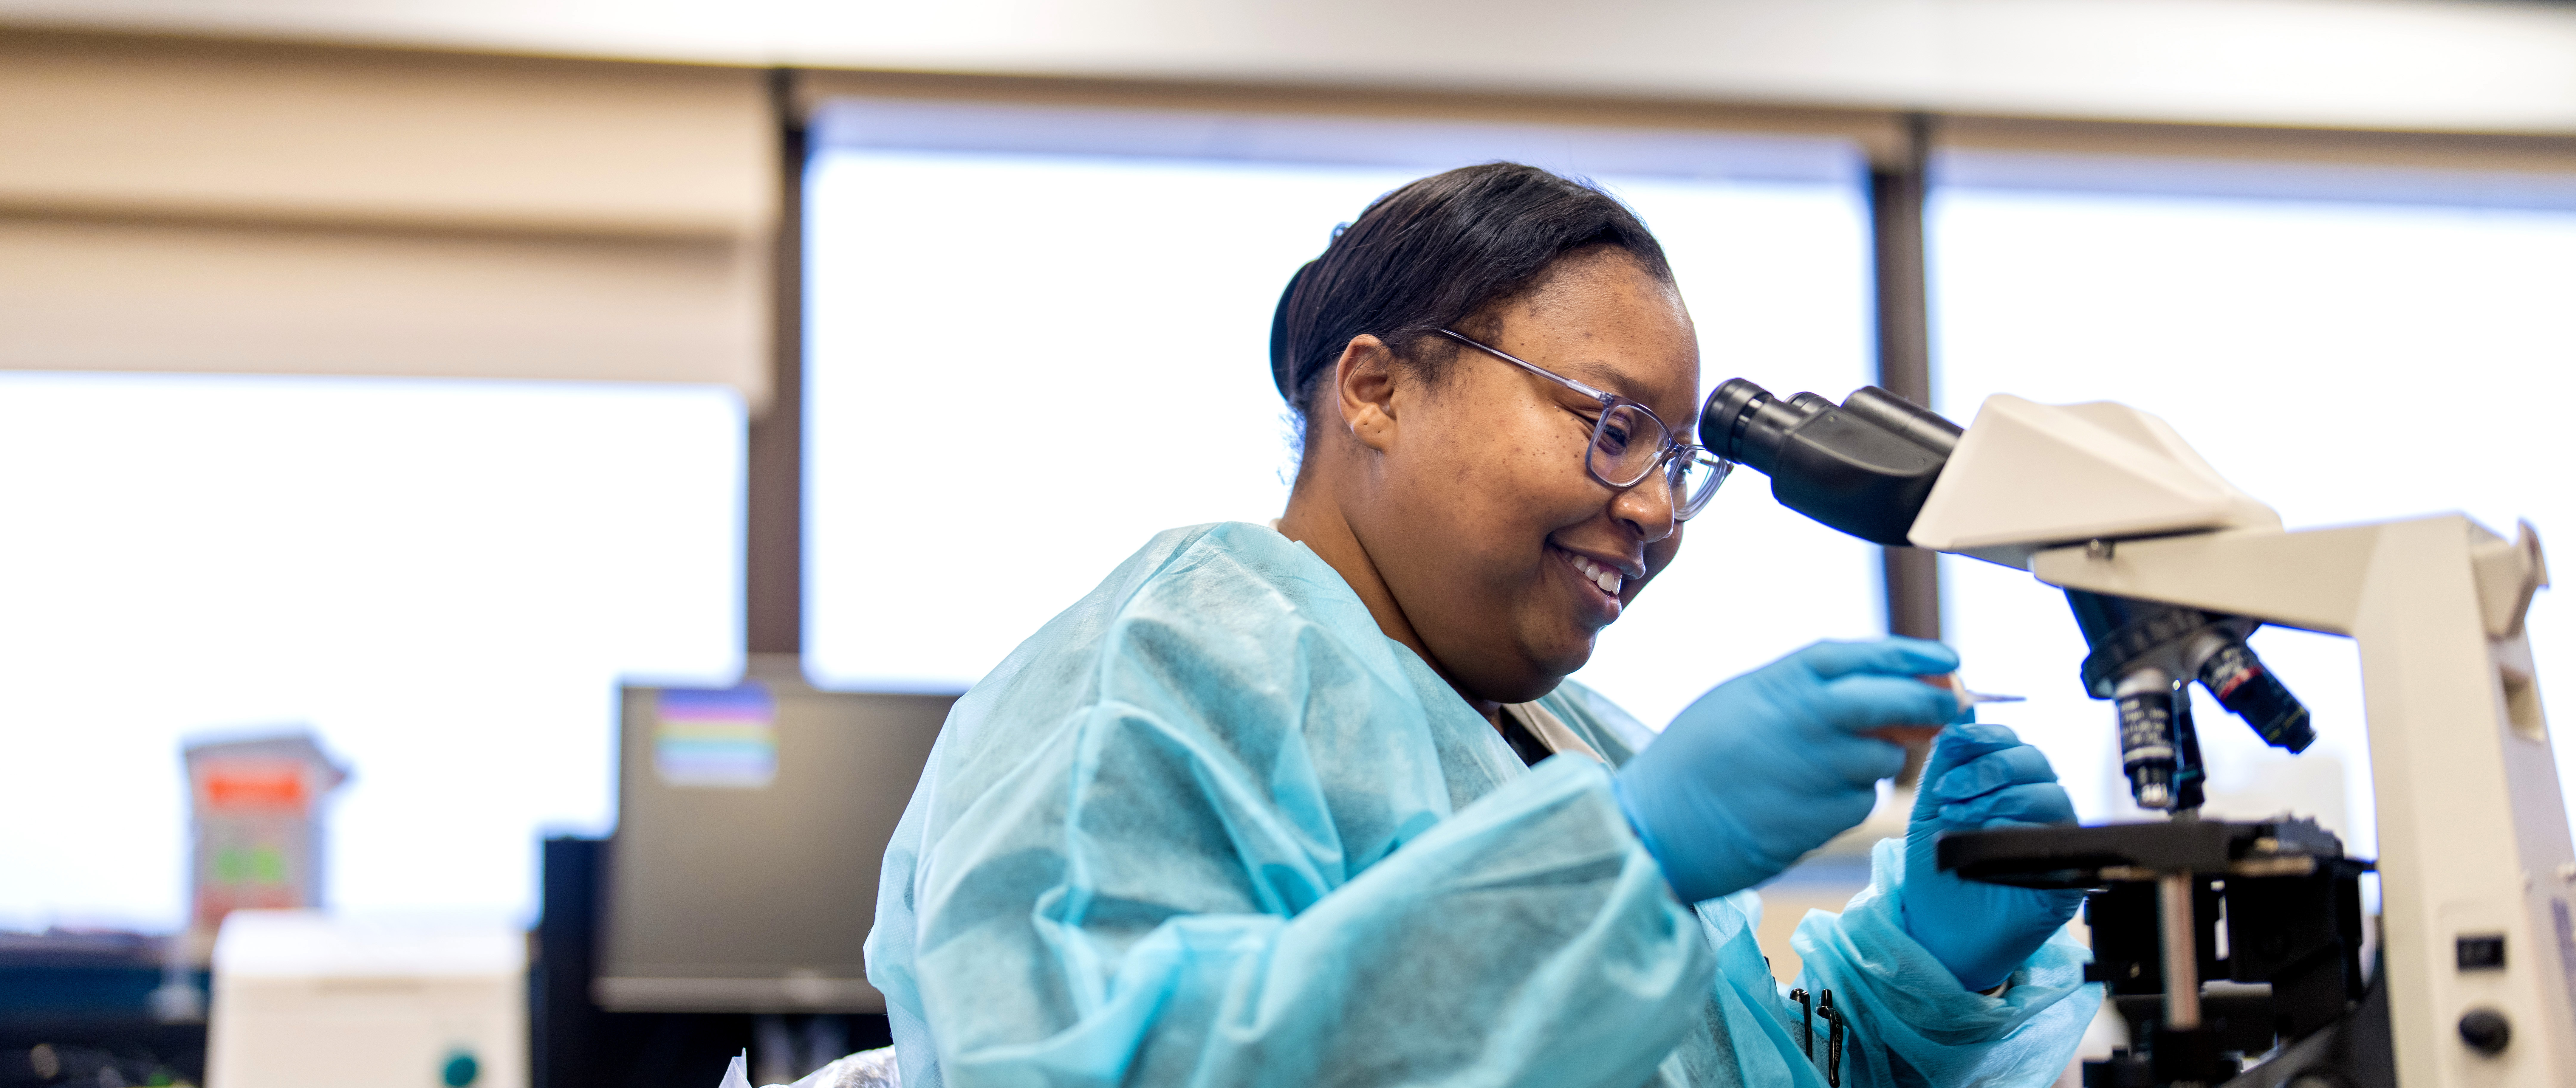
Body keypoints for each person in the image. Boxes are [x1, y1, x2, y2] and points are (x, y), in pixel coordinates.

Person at [864, 163, 2099, 1087]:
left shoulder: (1573, 742)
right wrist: (1621, 859)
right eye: (1613, 430)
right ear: (1376, 390)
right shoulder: (1175, 665)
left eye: (1681, 461)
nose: (1662, 508)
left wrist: (1931, 972)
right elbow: (1101, 1064)